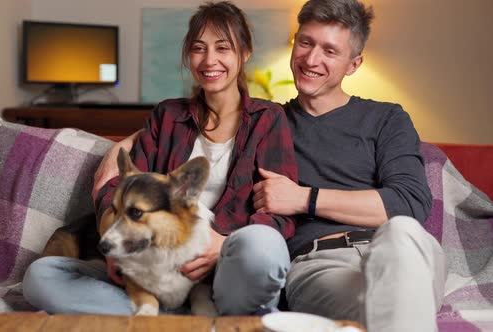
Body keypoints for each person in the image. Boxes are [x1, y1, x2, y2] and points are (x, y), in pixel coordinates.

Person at [95, 0, 447, 329]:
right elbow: (201, 125)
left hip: (400, 249)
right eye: (305, 43)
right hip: (322, 265)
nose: (311, 59)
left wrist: (303, 198)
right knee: (387, 303)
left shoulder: (387, 119)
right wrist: (121, 145)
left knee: (401, 236)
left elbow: (409, 204)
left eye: (329, 50)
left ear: (354, 63)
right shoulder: (269, 122)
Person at [24, 1, 299, 316]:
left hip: (223, 268)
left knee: (262, 245)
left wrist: (221, 247)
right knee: (40, 277)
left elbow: (279, 213)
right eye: (199, 48)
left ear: (245, 53)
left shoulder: (269, 119)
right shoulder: (167, 115)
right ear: (188, 55)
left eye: (223, 48)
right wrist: (115, 247)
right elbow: (119, 187)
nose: (210, 60)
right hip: (152, 268)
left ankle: (188, 308)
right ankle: (170, 313)